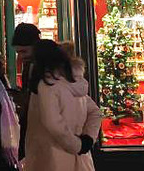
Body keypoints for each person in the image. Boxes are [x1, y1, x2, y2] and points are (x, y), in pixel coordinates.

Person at [21, 39, 101, 171]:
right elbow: (95, 112)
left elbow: (52, 123)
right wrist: (87, 139)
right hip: (81, 159)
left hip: (52, 157)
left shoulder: (48, 85)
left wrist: (76, 145)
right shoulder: (74, 83)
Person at [11, 23, 41, 161]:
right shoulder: (29, 66)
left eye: (24, 51)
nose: (21, 56)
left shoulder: (45, 68)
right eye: (18, 52)